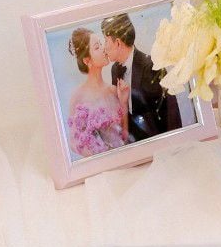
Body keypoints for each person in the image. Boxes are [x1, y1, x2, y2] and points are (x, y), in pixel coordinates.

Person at [101, 12, 182, 142]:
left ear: (118, 43)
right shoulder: (115, 70)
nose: (104, 48)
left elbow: (172, 116)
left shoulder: (152, 67)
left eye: (106, 41)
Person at [67, 28, 130, 158]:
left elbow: (125, 135)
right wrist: (98, 154)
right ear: (87, 61)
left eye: (101, 44)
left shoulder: (113, 90)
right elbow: (74, 142)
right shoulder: (78, 96)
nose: (103, 49)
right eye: (97, 47)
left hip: (124, 158)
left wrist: (123, 102)